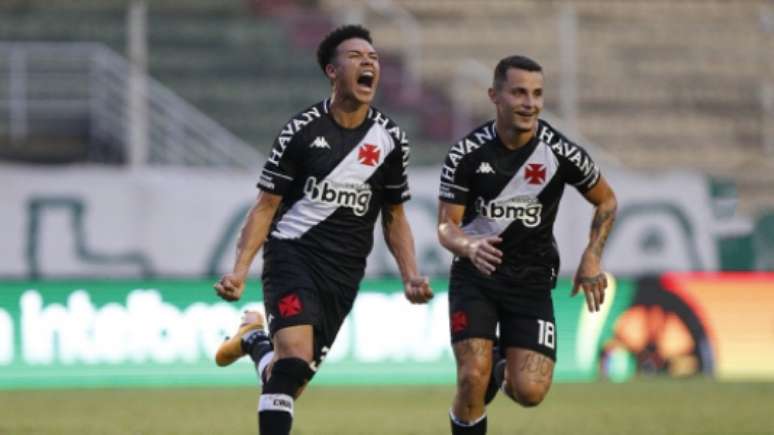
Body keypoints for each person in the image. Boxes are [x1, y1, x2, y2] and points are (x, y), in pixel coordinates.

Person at [213, 24, 433, 435]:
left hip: (345, 272)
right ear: (332, 71)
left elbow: (395, 216)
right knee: (293, 360)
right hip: (292, 254)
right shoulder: (301, 131)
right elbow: (265, 206)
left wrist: (410, 275)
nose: (368, 63)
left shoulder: (390, 140)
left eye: (374, 58)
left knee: (287, 380)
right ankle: (258, 341)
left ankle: (253, 340)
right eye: (356, 56)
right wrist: (240, 270)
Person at [436, 55, 617, 434]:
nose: (529, 103)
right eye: (518, 92)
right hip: (476, 278)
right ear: (495, 96)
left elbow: (606, 200)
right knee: (471, 377)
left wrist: (591, 257)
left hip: (531, 281)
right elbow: (446, 227)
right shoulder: (466, 155)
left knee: (529, 391)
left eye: (537, 94)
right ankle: (484, 372)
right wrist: (468, 247)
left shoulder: (561, 152)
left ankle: (500, 362)